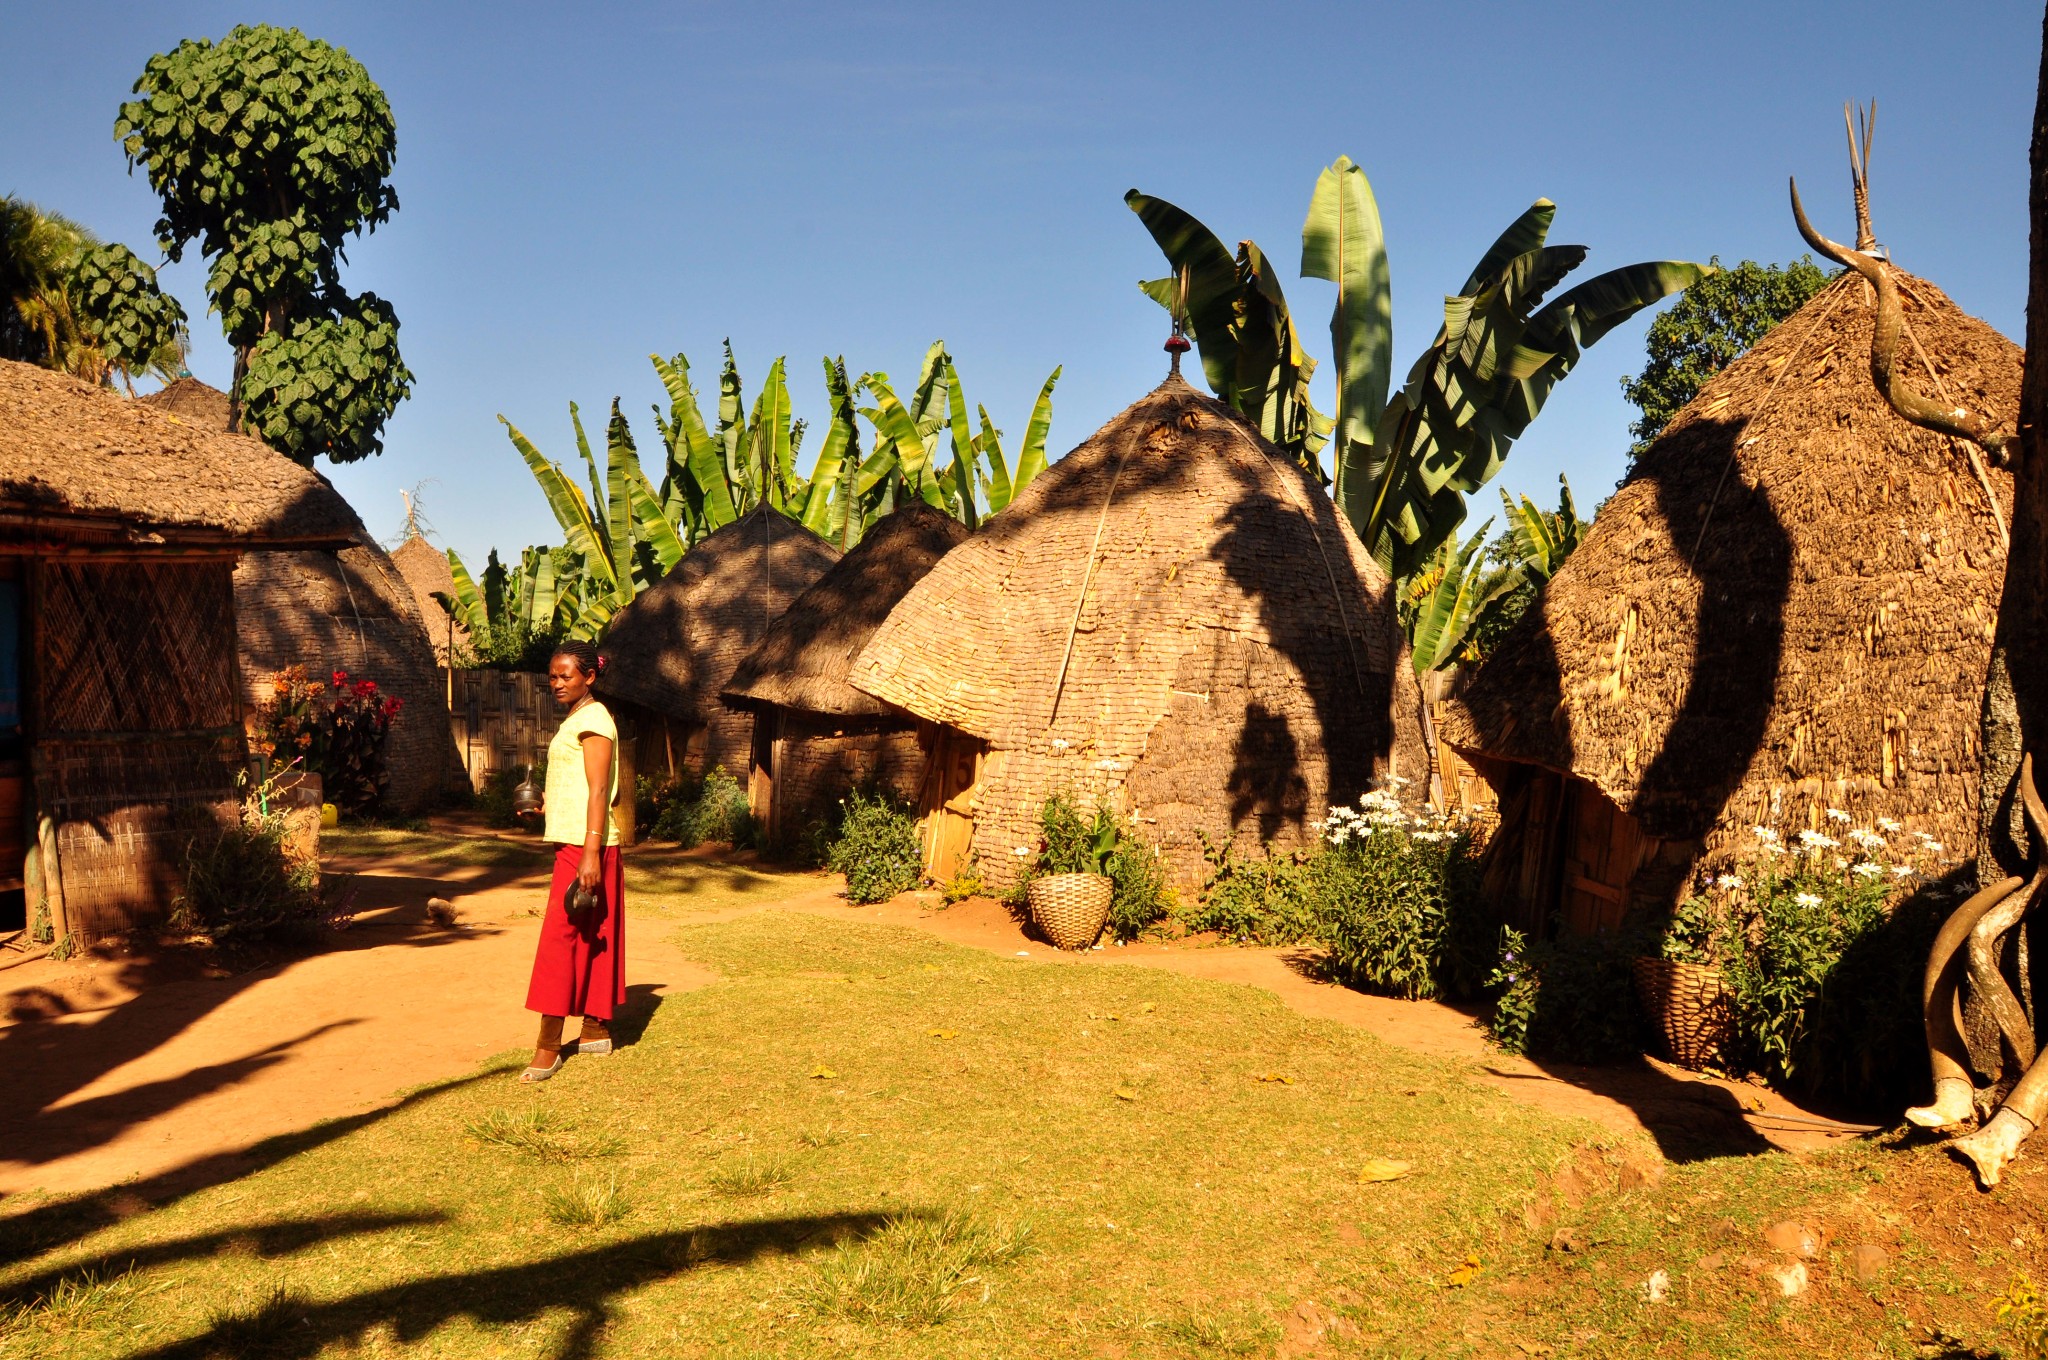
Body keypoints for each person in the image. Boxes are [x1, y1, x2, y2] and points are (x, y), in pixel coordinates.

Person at [520, 640, 625, 1081]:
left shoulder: (596, 720)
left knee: (560, 939)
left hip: (588, 846)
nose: (558, 683)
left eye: (566, 676)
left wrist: (590, 853)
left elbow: (601, 791)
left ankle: (548, 1044)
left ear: (589, 677)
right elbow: (580, 787)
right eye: (553, 677)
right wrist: (548, 802)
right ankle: (596, 1028)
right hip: (576, 840)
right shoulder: (577, 718)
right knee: (590, 930)